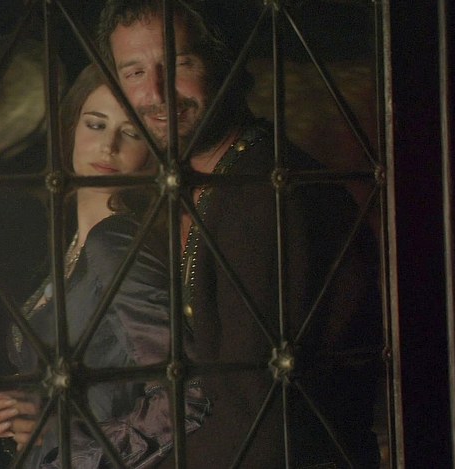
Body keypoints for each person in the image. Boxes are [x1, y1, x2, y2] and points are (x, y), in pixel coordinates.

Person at [88, 1, 383, 468]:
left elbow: (262, 427)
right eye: (134, 72)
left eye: (180, 63)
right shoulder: (206, 182)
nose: (155, 92)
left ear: (225, 62)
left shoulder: (265, 194)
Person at [0, 63, 192, 466]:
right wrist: (13, 413)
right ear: (71, 130)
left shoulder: (114, 244)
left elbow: (183, 396)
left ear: (153, 153)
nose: (108, 146)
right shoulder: (72, 246)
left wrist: (65, 436)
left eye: (131, 133)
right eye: (96, 125)